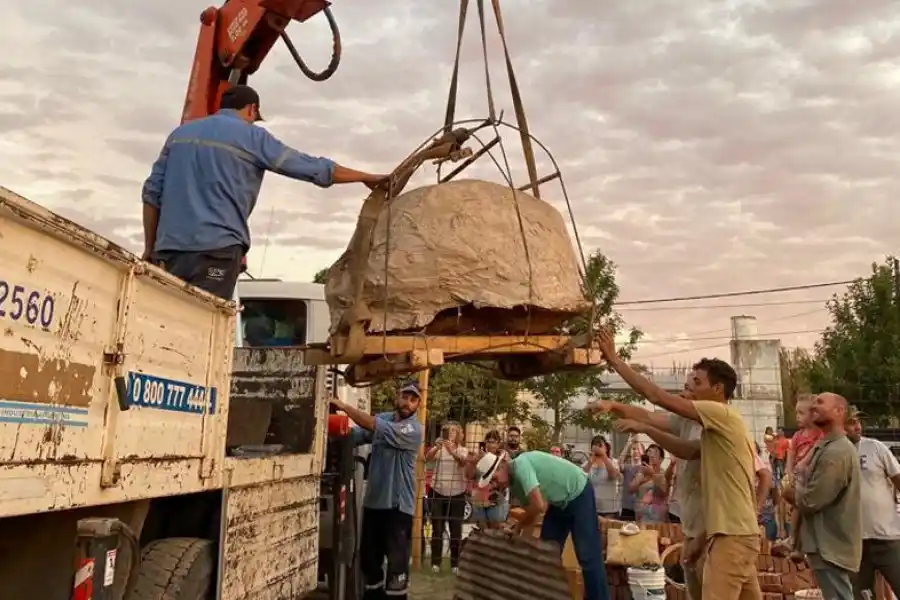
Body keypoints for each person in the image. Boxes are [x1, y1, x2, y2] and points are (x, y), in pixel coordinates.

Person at [141, 84, 387, 299]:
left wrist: (150, 248)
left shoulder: (179, 135)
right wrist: (364, 176)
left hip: (170, 251)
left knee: (168, 323)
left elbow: (152, 193)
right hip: (217, 250)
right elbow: (311, 168)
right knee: (205, 327)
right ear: (251, 109)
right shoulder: (252, 136)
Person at [590, 328, 761, 600]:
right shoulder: (699, 425)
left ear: (717, 389)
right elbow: (668, 432)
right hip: (713, 531)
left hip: (731, 533)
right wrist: (615, 406)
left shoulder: (722, 414)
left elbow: (656, 396)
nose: (689, 385)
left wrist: (614, 360)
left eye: (696, 380)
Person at [589, 385, 704, 600]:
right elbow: (649, 415)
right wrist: (613, 405)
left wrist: (657, 470)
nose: (682, 394)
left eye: (654, 453)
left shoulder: (709, 425)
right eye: (648, 453)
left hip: (680, 525)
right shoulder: (681, 424)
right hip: (651, 521)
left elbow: (665, 486)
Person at [474, 450, 610, 600]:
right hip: (558, 503)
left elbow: (539, 506)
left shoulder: (521, 466)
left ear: (501, 466)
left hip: (579, 492)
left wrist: (519, 525)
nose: (495, 485)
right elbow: (532, 516)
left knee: (587, 556)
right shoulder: (514, 486)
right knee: (546, 553)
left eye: (493, 479)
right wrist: (518, 533)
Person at [330, 382, 424, 599]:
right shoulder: (386, 418)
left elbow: (372, 425)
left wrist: (344, 407)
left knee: (396, 569)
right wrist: (333, 429)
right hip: (374, 503)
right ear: (397, 396)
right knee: (369, 563)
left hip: (398, 507)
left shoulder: (414, 429)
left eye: (413, 399)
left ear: (418, 403)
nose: (407, 403)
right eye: (405, 397)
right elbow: (356, 435)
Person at [783, 393, 861, 600]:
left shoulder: (837, 451)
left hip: (830, 545)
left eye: (820, 402)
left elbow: (812, 500)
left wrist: (790, 492)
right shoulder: (824, 445)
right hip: (824, 544)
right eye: (814, 402)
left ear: (839, 411)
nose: (814, 407)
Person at [845, 405, 900, 599]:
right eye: (851, 422)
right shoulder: (835, 453)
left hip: (887, 538)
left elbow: (898, 478)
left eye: (858, 422)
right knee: (859, 595)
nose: (857, 426)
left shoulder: (875, 447)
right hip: (856, 543)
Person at [782, 394, 824, 559]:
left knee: (800, 507)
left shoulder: (818, 433)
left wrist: (805, 462)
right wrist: (789, 473)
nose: (797, 417)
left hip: (811, 476)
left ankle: (794, 542)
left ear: (813, 414)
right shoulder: (798, 435)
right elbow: (791, 455)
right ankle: (797, 544)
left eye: (801, 413)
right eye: (796, 413)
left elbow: (816, 450)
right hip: (799, 477)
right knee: (798, 507)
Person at [424, 421, 468, 574]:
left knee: (456, 531)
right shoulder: (439, 449)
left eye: (454, 431)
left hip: (457, 494)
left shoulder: (463, 450)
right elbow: (427, 458)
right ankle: (435, 563)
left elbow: (462, 462)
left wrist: (451, 451)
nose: (450, 434)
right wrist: (437, 446)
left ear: (459, 434)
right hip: (437, 492)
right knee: (437, 529)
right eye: (447, 431)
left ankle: (455, 564)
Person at [465, 430, 510, 529]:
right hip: (478, 498)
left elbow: (503, 479)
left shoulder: (503, 458)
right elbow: (469, 476)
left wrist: (487, 460)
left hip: (496, 499)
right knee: (482, 529)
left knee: (496, 530)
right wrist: (473, 463)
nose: (490, 444)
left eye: (493, 442)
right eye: (488, 441)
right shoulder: (478, 457)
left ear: (498, 444)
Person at [583, 435, 621, 518]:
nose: (598, 448)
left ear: (606, 448)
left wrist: (603, 456)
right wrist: (591, 461)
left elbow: (613, 475)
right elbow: (582, 478)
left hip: (609, 510)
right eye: (595, 445)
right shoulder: (587, 463)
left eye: (600, 445)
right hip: (591, 508)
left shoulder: (613, 462)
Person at [630, 444, 669, 524]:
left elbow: (664, 491)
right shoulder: (641, 472)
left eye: (654, 453)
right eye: (649, 453)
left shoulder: (664, 474)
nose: (651, 456)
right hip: (641, 516)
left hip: (658, 517)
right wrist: (641, 477)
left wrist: (653, 474)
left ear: (661, 459)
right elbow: (631, 489)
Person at [617, 439, 646, 522]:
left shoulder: (645, 468)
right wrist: (628, 443)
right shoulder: (627, 467)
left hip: (640, 508)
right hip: (626, 507)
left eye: (638, 449)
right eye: (633, 449)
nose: (635, 451)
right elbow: (619, 462)